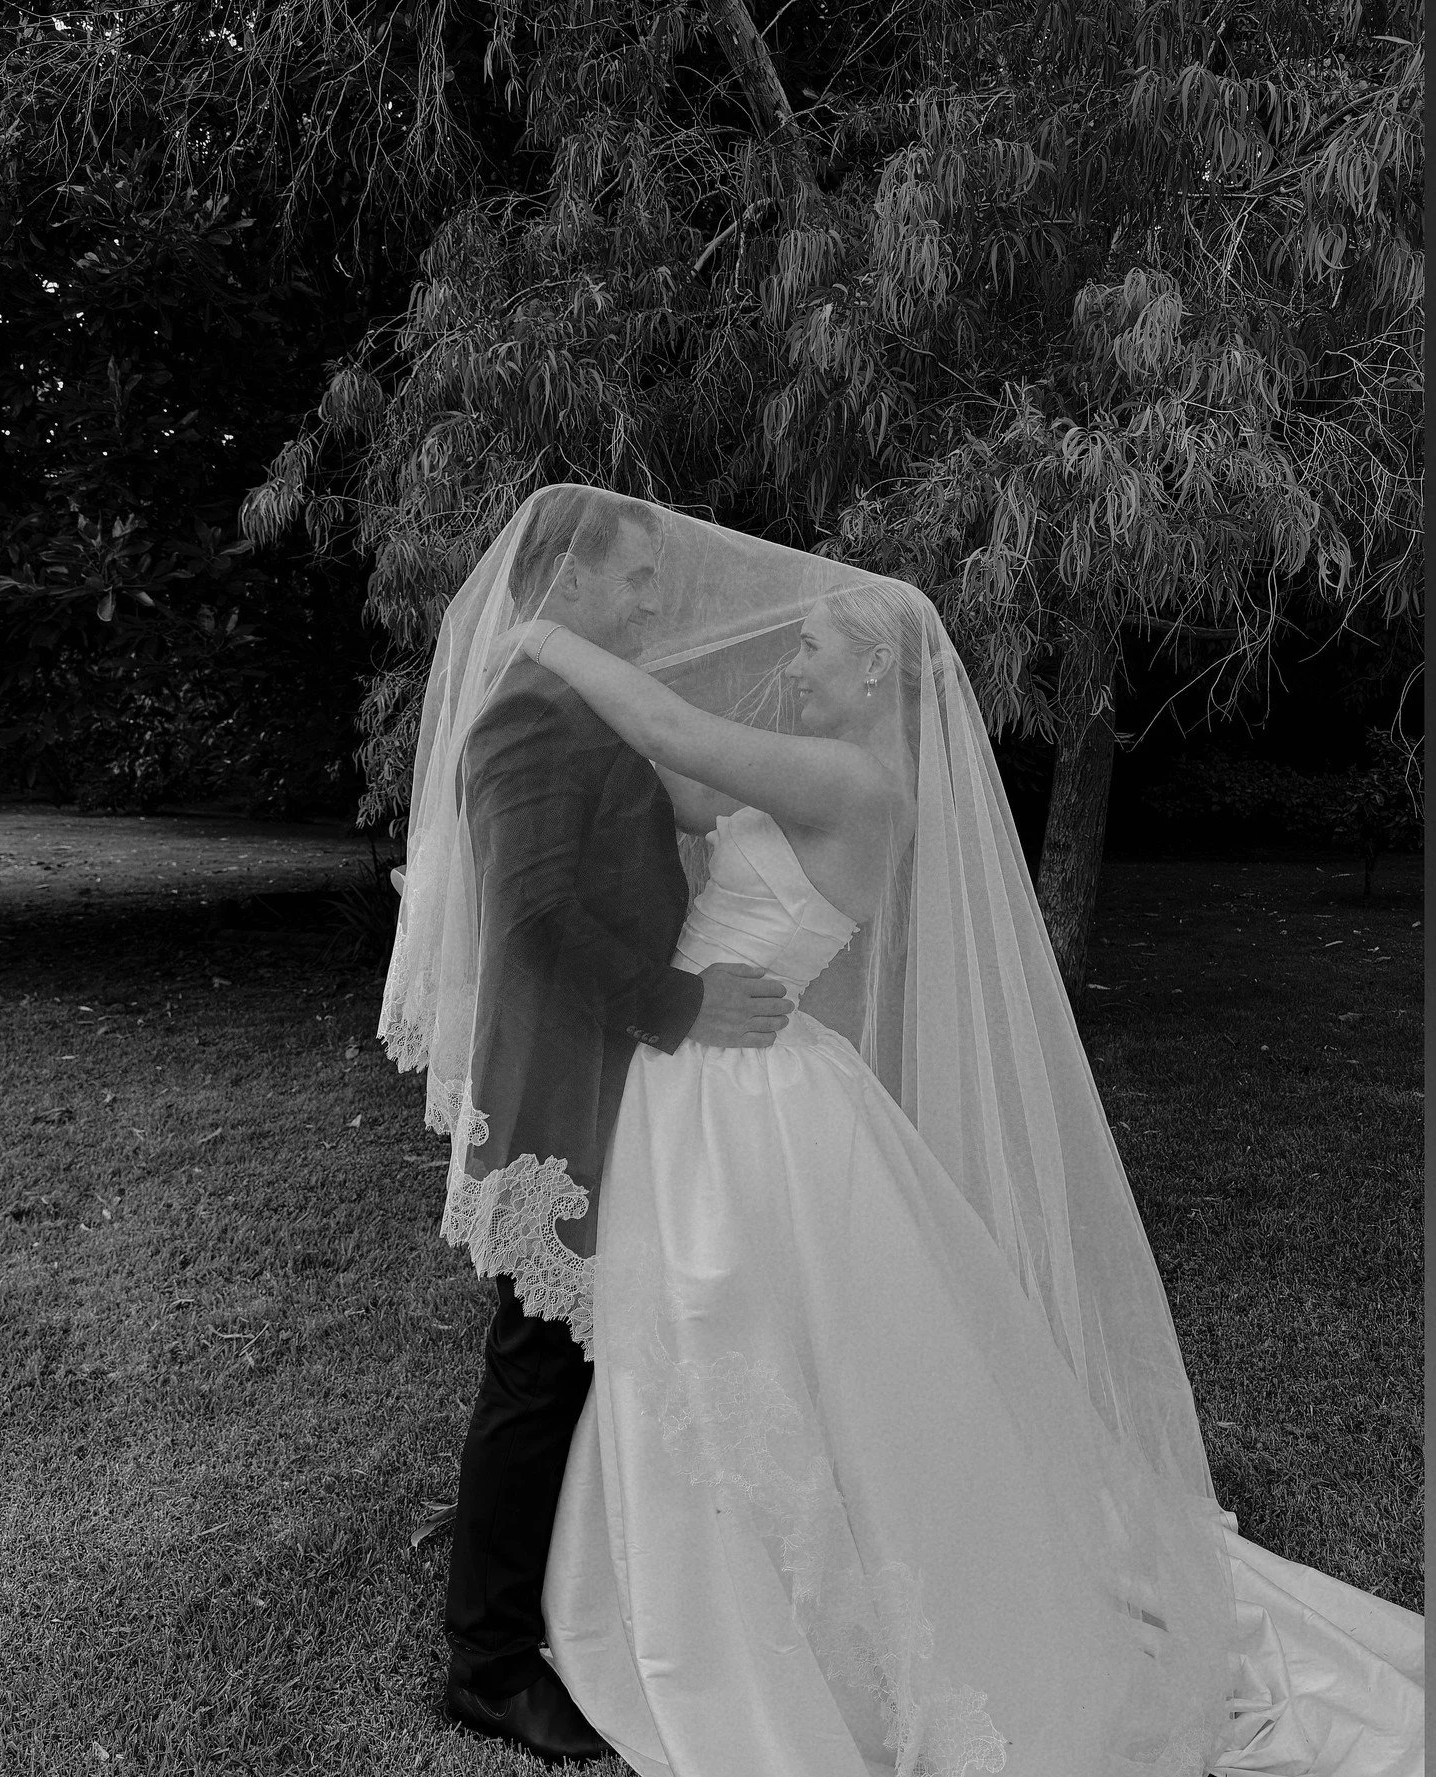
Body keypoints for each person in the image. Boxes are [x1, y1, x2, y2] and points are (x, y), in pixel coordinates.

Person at [386, 489, 1423, 1777]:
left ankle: (658, 1610)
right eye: (635, 579)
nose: (783, 653)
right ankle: (529, 1630)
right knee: (649, 1349)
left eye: (813, 645)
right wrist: (534, 664)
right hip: (687, 1083)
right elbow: (633, 824)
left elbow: (663, 732)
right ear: (580, 571)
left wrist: (527, 631)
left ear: (872, 664)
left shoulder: (838, 777)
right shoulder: (650, 742)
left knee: (714, 1342)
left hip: (726, 1091)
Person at [379, 487, 793, 1762]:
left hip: (607, 1077)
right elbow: (536, 914)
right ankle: (486, 1662)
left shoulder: (578, 698)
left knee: (584, 1353)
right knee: (536, 1362)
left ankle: (575, 1598)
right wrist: (682, 1003)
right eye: (634, 579)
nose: (653, 601)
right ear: (563, 581)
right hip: (562, 1083)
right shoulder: (525, 712)